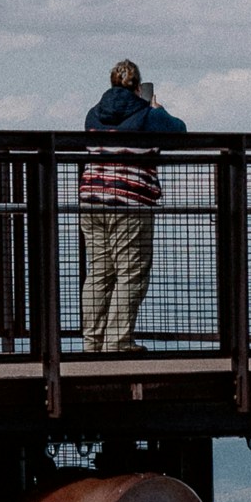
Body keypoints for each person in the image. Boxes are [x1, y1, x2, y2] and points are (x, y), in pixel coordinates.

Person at [78, 61, 186, 356]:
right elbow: (180, 132)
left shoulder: (93, 114)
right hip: (130, 203)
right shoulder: (147, 115)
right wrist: (159, 109)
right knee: (131, 272)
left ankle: (93, 343)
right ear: (138, 87)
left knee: (99, 272)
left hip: (91, 202)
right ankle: (118, 341)